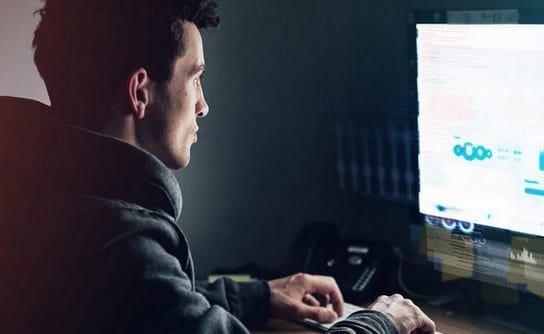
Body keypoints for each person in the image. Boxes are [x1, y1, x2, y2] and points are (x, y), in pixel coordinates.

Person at [0, 0, 436, 333]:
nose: (203, 105)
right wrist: (381, 322)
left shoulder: (39, 192)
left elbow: (149, 307)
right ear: (140, 92)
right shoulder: (121, 243)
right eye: (194, 78)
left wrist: (261, 295)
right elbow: (138, 282)